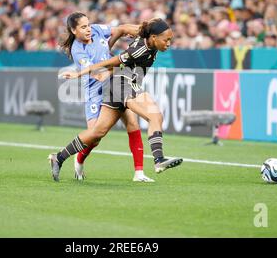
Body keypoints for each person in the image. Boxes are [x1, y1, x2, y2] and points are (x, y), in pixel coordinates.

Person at [49, 18, 183, 181]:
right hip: (123, 85)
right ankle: (158, 160)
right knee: (154, 116)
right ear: (154, 37)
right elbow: (114, 61)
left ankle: (59, 157)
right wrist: (79, 74)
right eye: (166, 40)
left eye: (170, 39)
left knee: (98, 132)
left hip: (119, 84)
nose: (169, 43)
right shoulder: (139, 50)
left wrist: (135, 28)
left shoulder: (148, 40)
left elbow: (124, 29)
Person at [59, 12, 154, 182]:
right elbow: (98, 74)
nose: (88, 29)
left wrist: (146, 32)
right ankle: (79, 160)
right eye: (83, 27)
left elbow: (122, 28)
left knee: (132, 123)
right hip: (95, 90)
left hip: (115, 83)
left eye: (88, 25)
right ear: (73, 30)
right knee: (94, 137)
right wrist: (120, 63)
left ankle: (139, 173)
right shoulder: (78, 50)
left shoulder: (96, 30)